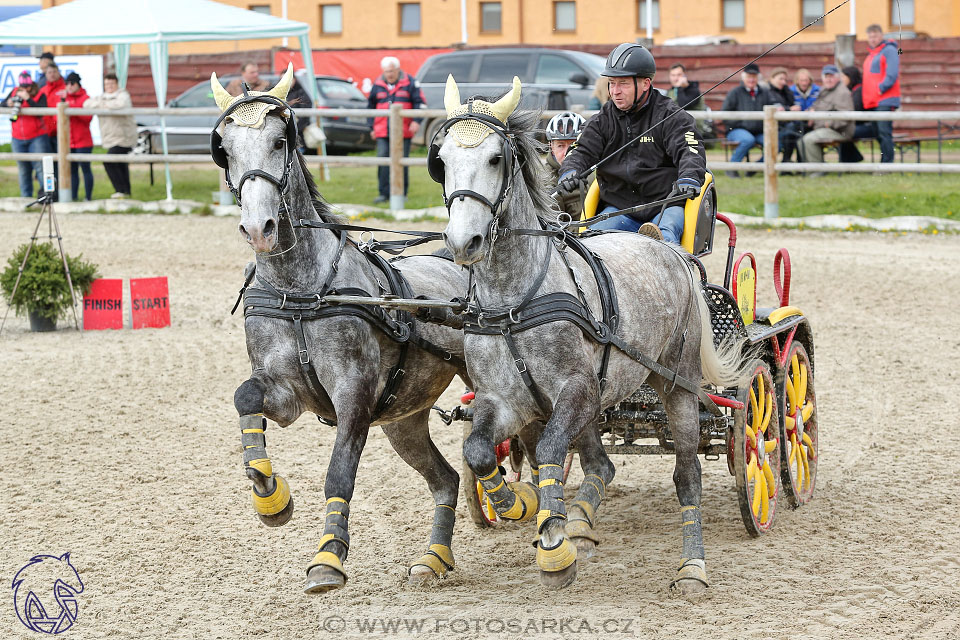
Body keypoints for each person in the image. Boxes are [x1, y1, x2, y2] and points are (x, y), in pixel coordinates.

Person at [557, 43, 706, 243]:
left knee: (666, 234)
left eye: (623, 84)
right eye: (611, 83)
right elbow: (580, 150)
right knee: (591, 243)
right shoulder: (602, 120)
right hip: (618, 209)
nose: (615, 91)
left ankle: (659, 251)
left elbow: (690, 151)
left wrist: (689, 178)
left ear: (645, 84)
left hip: (665, 205)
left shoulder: (672, 116)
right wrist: (570, 170)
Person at [367, 56, 424, 205]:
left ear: (398, 69)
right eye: (386, 72)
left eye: (391, 71)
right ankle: (383, 193)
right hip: (382, 129)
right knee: (383, 160)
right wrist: (370, 126)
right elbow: (370, 106)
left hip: (403, 130)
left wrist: (416, 121)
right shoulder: (377, 84)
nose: (389, 74)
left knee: (401, 162)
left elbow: (420, 103)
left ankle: (402, 193)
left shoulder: (411, 82)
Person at [84, 72, 137, 198]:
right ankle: (126, 191)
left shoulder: (123, 95)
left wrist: (104, 105)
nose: (109, 86)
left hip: (124, 136)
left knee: (109, 161)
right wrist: (105, 105)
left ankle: (120, 190)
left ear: (117, 84)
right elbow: (87, 104)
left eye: (111, 83)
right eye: (107, 83)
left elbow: (120, 105)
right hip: (110, 137)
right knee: (120, 163)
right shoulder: (102, 97)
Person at [720, 63, 778, 174]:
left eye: (754, 77)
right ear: (743, 77)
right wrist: (742, 122)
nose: (751, 79)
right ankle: (732, 168)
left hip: (759, 131)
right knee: (747, 139)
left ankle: (754, 168)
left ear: (758, 78)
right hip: (738, 130)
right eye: (749, 77)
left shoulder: (765, 93)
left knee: (776, 143)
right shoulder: (735, 93)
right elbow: (725, 115)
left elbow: (772, 107)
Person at [799, 65, 854, 175]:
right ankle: (810, 170)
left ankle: (819, 171)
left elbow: (845, 117)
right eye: (826, 76)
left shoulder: (842, 92)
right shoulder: (824, 90)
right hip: (821, 128)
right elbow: (817, 106)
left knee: (808, 140)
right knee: (800, 140)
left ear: (838, 78)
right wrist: (811, 113)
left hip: (838, 131)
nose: (828, 79)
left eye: (831, 76)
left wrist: (828, 124)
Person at [4, 70, 51, 198]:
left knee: (41, 168)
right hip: (18, 137)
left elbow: (41, 112)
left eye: (27, 86)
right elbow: (2, 104)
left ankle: (46, 197)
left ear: (31, 84)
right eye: (23, 87)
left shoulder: (40, 94)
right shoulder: (14, 92)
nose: (25, 89)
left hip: (37, 137)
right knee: (23, 170)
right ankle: (25, 198)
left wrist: (28, 99)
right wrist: (8, 103)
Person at [862, 24, 900, 164]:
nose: (872, 39)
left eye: (875, 36)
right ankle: (884, 161)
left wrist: (880, 88)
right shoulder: (872, 54)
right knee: (878, 133)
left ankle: (887, 164)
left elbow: (892, 74)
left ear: (881, 36)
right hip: (873, 101)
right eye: (870, 36)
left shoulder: (889, 50)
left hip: (885, 100)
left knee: (884, 133)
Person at [543, 111, 588, 218]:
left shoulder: (597, 170)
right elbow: (556, 231)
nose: (567, 153)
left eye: (573, 145)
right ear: (551, 147)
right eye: (560, 146)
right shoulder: (545, 182)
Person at [63, 72, 94, 201]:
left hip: (83, 141)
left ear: (78, 84)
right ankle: (74, 197)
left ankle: (88, 197)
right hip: (70, 141)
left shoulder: (86, 98)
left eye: (72, 83)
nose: (69, 86)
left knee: (85, 170)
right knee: (73, 171)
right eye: (67, 83)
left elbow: (88, 117)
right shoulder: (64, 98)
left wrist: (71, 108)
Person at [784, 68, 819, 162]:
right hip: (796, 122)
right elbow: (787, 106)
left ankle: (802, 163)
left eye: (806, 80)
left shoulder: (817, 91)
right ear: (797, 81)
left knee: (803, 136)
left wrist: (814, 110)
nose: (804, 83)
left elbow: (821, 104)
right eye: (801, 80)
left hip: (812, 122)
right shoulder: (790, 91)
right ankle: (786, 162)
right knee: (791, 133)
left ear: (810, 81)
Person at [838, 66, 867, 163]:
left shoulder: (858, 91)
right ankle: (853, 158)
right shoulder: (853, 90)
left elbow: (856, 110)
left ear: (850, 77)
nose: (841, 79)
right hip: (858, 125)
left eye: (843, 77)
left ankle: (850, 160)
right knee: (842, 131)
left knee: (842, 132)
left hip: (865, 126)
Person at [38, 63, 66, 154]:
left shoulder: (65, 89)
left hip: (61, 130)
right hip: (46, 130)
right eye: (49, 72)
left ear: (59, 73)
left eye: (54, 71)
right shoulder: (42, 90)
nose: (52, 74)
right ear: (46, 74)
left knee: (62, 159)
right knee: (48, 160)